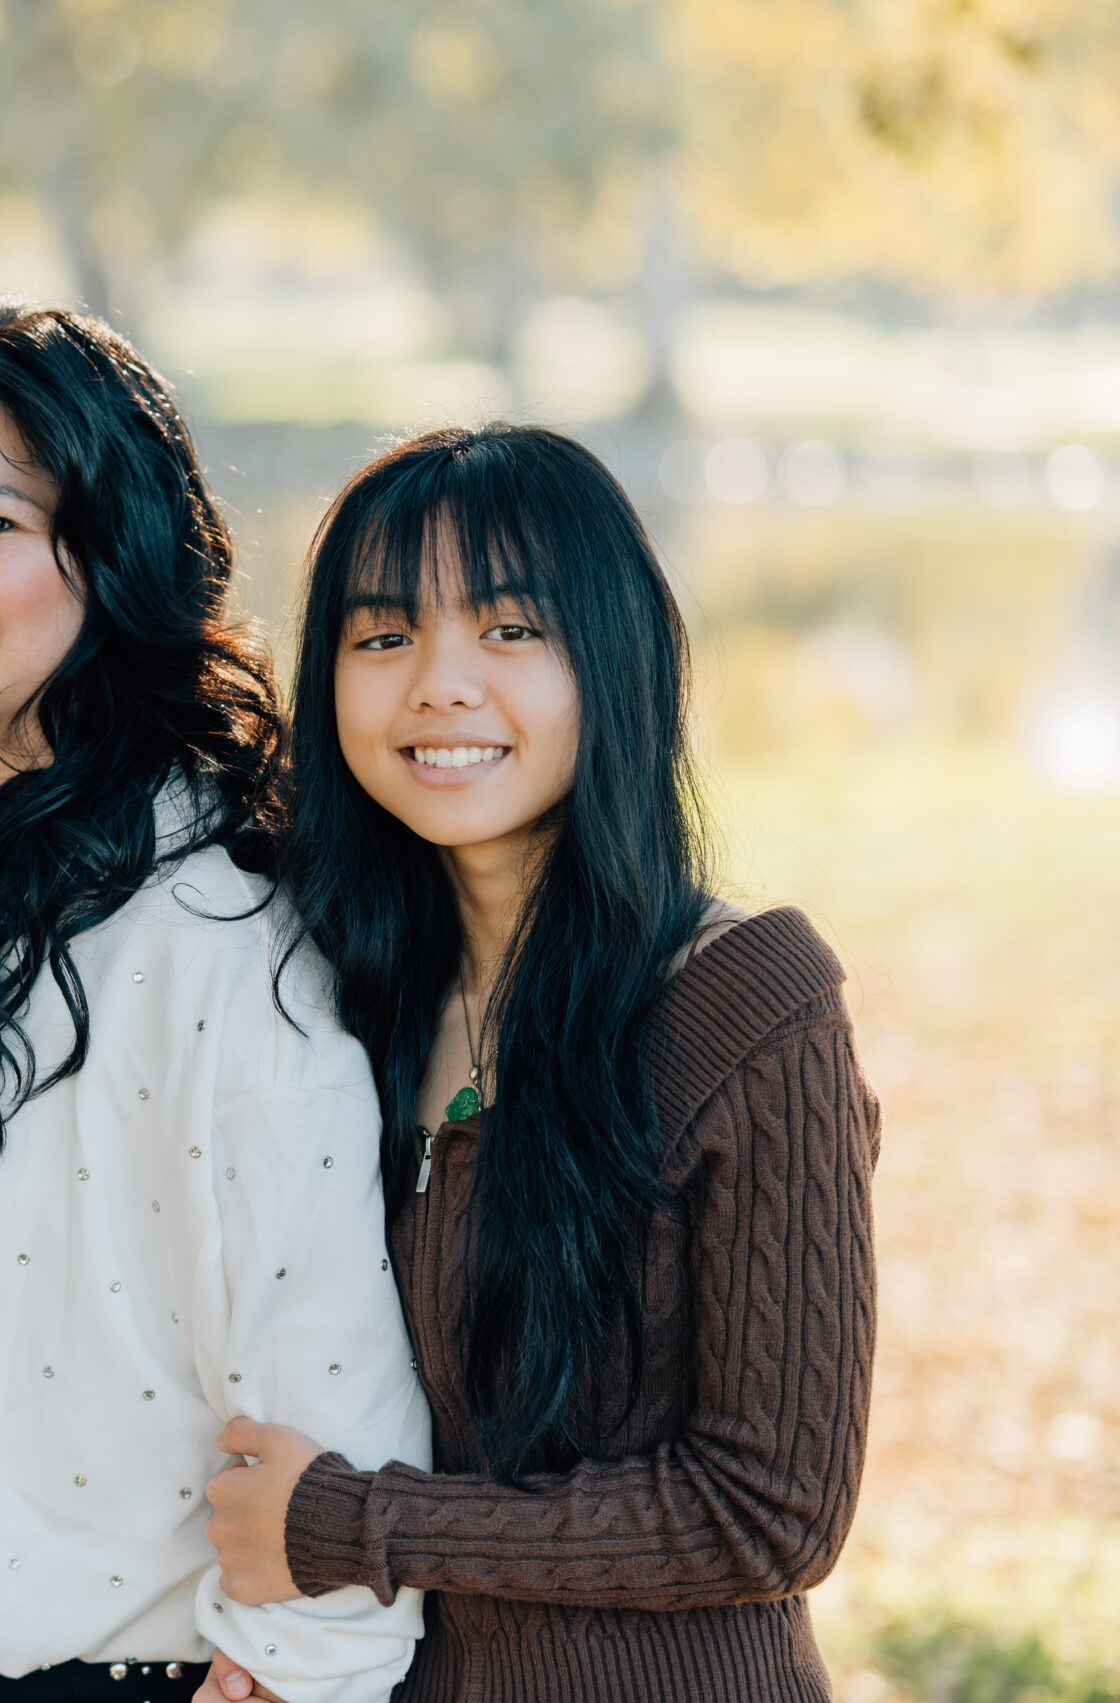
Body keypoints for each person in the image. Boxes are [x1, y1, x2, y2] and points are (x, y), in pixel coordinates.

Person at [0, 302, 430, 1703]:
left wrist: (310, 1656)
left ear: (114, 551)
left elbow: (324, 1349)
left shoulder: (214, 919)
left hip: (125, 1673)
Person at [196, 424, 877, 1703]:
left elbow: (770, 1511)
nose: (440, 685)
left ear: (612, 660)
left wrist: (352, 1528)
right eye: (383, 635)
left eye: (510, 630)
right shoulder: (330, 992)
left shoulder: (748, 1004)